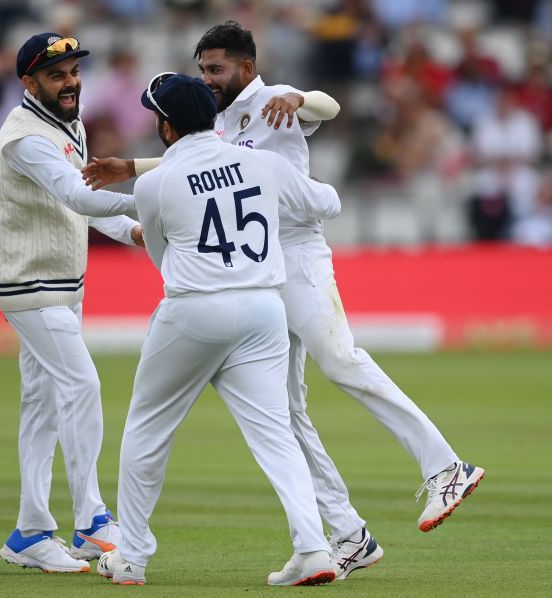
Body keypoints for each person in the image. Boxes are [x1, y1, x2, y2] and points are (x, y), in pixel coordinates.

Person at [83, 21, 484, 580]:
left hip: (296, 255)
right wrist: (132, 167)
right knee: (288, 416)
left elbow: (328, 106)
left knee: (340, 359)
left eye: (217, 68)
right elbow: (204, 159)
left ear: (246, 68)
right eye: (203, 70)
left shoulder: (274, 100)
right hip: (259, 270)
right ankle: (347, 534)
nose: (209, 77)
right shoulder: (215, 116)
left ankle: (446, 466)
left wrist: (302, 98)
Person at [96, 73, 341, 587]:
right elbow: (328, 205)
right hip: (263, 310)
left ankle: (133, 557)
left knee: (147, 428)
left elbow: (162, 258)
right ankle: (315, 549)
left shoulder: (153, 182)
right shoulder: (264, 161)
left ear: (166, 128)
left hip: (193, 309)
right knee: (276, 435)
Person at [0, 33, 142, 574]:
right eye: (56, 74)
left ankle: (30, 531)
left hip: (62, 284)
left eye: (74, 70)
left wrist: (134, 231)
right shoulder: (26, 136)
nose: (71, 81)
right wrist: (165, 191)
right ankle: (92, 520)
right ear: (29, 83)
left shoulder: (66, 125)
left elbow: (89, 204)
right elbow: (77, 194)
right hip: (30, 285)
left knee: (43, 403)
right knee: (81, 385)